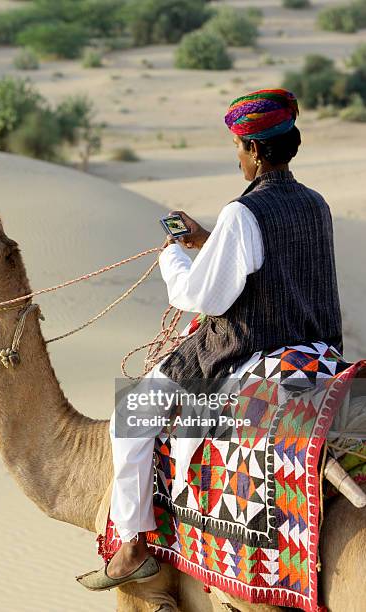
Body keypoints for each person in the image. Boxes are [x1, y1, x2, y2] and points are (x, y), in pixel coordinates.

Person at [76, 88, 343, 591]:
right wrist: (209, 240)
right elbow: (270, 255)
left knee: (131, 418)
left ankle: (132, 544)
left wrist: (174, 258)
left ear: (257, 152)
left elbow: (202, 298)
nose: (238, 156)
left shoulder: (244, 214)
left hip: (249, 356)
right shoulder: (315, 204)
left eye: (240, 148)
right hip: (319, 352)